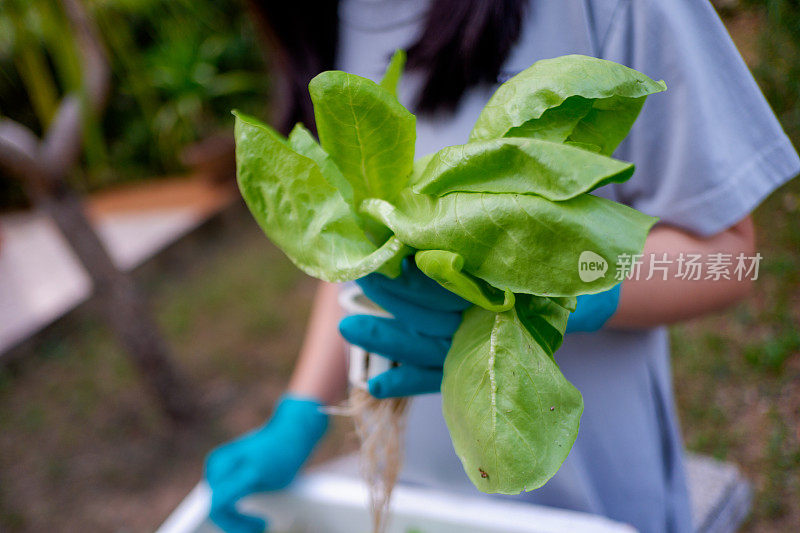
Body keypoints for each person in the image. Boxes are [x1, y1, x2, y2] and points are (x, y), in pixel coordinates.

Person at [203, 1, 800, 532]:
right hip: (424, 493)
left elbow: (730, 259)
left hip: (594, 496)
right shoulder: (317, 15)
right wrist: (300, 410)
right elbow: (353, 244)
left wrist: (567, 289)